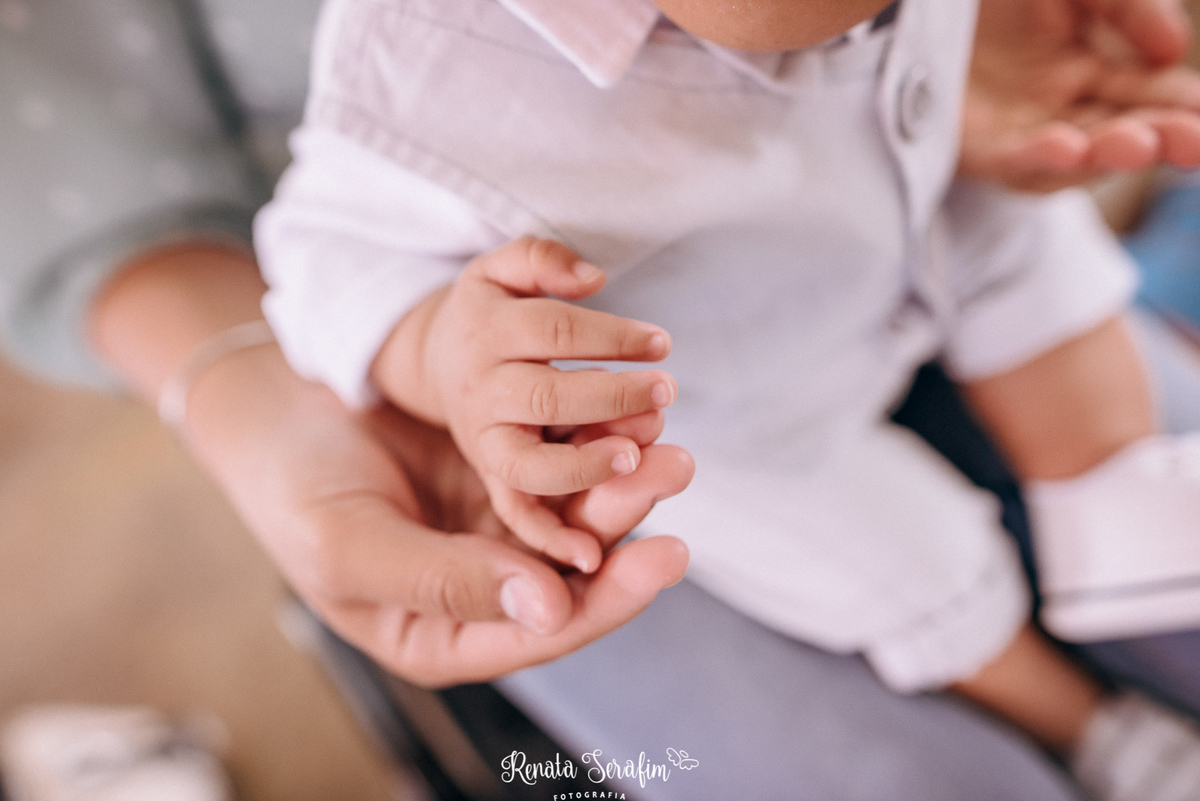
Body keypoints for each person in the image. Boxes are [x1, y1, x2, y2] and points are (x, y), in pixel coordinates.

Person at [6, 0, 1200, 797]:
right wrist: (438, 347)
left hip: (924, 207)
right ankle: (1087, 726)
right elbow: (328, 265)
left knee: (1054, 301)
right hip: (711, 416)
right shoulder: (434, 75)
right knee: (908, 573)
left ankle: (1118, 518)